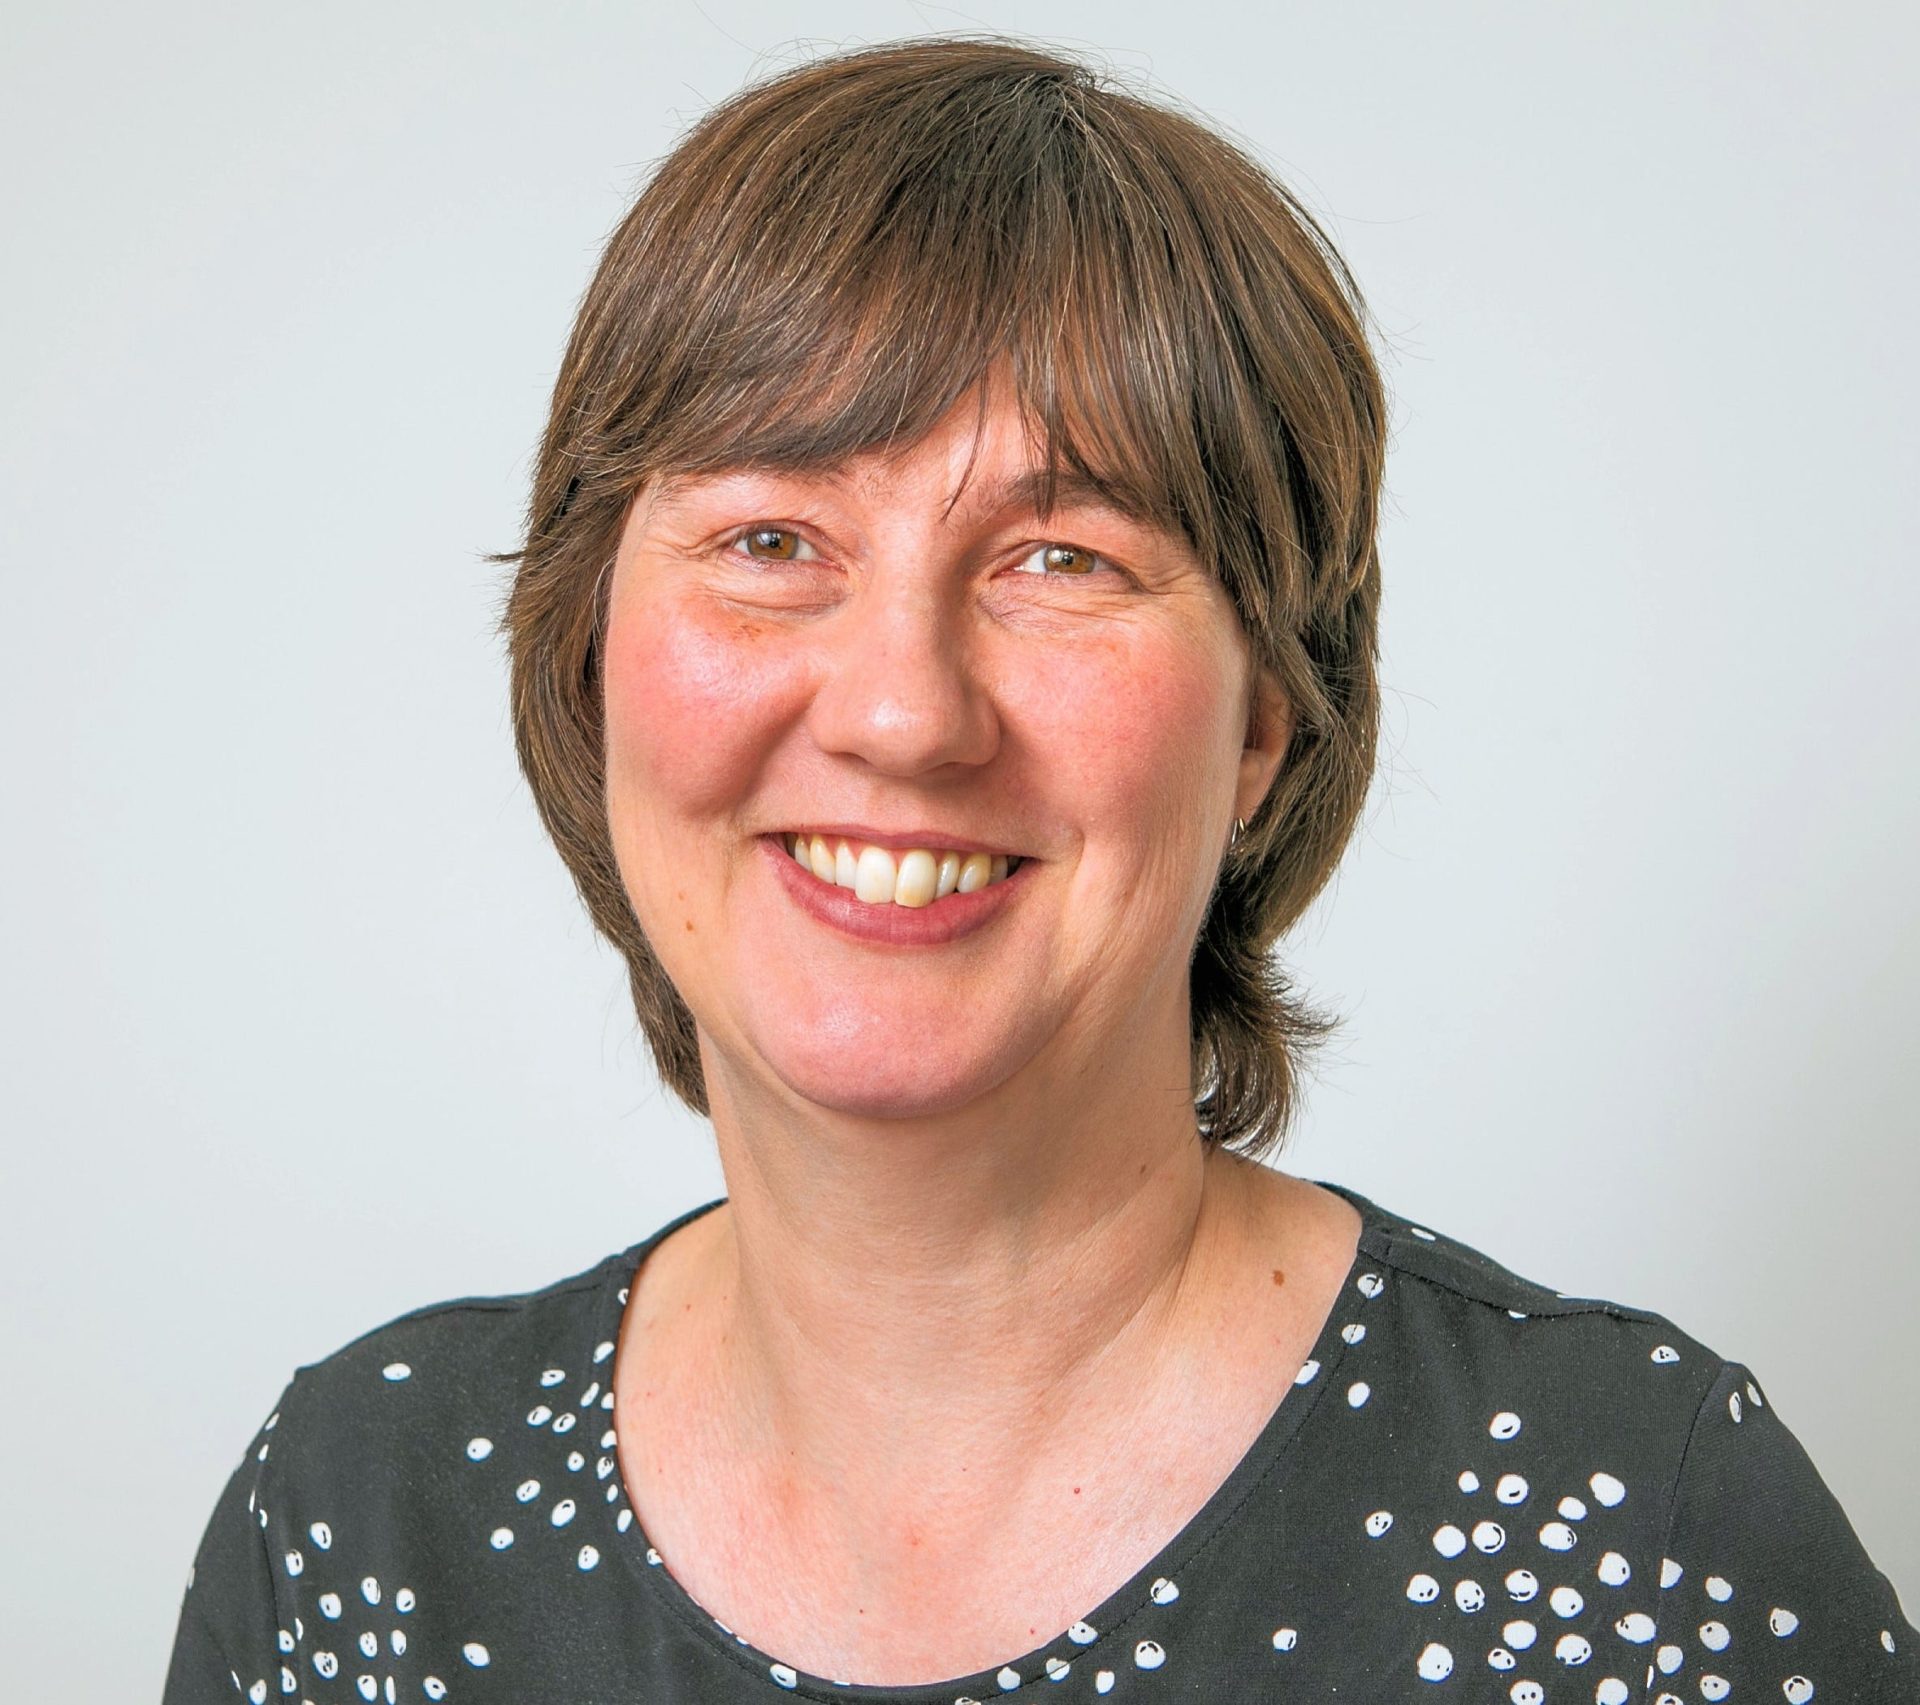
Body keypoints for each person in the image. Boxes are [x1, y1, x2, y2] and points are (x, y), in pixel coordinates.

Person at [162, 35, 1915, 1705]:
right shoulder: (358, 1525)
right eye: (771, 538)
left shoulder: (1639, 1537)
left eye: (1062, 558)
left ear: (1263, 722)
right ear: (586, 651)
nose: (903, 710)